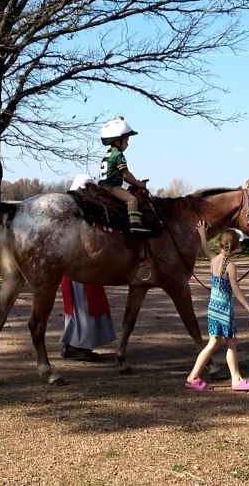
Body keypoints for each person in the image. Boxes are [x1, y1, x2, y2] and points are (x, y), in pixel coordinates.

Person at [185, 221, 249, 392]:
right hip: (225, 310)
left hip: (213, 309)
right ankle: (236, 379)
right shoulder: (230, 266)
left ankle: (193, 377)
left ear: (219, 244)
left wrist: (202, 234)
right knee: (232, 344)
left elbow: (205, 248)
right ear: (235, 248)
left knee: (212, 343)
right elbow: (237, 291)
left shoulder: (213, 261)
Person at [60, 175, 116, 361]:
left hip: (83, 264)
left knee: (80, 306)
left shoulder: (81, 212)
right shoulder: (77, 213)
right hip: (79, 265)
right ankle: (78, 345)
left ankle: (73, 343)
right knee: (82, 306)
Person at [97, 117, 149, 234]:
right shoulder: (118, 155)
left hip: (102, 186)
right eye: (126, 141)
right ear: (117, 141)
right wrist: (138, 184)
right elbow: (126, 175)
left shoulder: (108, 154)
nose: (128, 144)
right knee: (132, 200)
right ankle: (134, 226)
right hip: (112, 187)